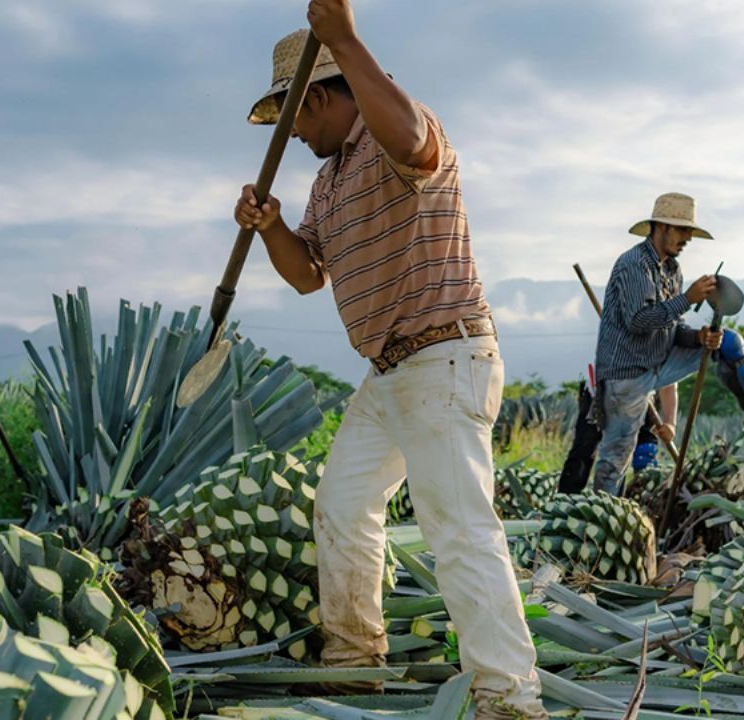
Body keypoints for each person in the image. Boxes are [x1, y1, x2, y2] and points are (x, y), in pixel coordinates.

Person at [233, 3, 546, 717]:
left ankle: (509, 697)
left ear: (310, 98)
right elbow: (308, 275)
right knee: (342, 504)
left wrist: (343, 38)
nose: (299, 134)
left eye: (297, 118)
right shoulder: (328, 180)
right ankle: (353, 661)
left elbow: (410, 137)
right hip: (389, 372)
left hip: (443, 356)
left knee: (459, 528)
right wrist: (273, 226)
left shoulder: (396, 132)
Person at [592, 193, 744, 495]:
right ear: (661, 227)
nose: (687, 239)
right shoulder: (634, 265)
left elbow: (672, 327)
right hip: (627, 374)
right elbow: (638, 322)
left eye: (689, 232)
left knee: (729, 342)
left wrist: (697, 338)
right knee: (616, 457)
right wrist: (688, 299)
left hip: (660, 361)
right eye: (682, 230)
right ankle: (602, 516)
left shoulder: (671, 269)